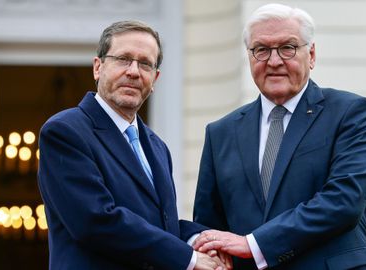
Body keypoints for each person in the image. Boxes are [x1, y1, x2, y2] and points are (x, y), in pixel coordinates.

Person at [192, 3, 366, 270]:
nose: (274, 61)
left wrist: (254, 244)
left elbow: (344, 201)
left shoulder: (349, 112)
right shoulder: (220, 132)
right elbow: (210, 224)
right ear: (249, 56)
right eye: (261, 49)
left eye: (287, 47)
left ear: (311, 54)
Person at [38, 20, 229, 270]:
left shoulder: (157, 147)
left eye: (145, 64)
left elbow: (160, 224)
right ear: (98, 67)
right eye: (123, 59)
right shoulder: (65, 131)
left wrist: (203, 240)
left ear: (155, 78)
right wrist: (190, 259)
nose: (134, 71)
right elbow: (95, 221)